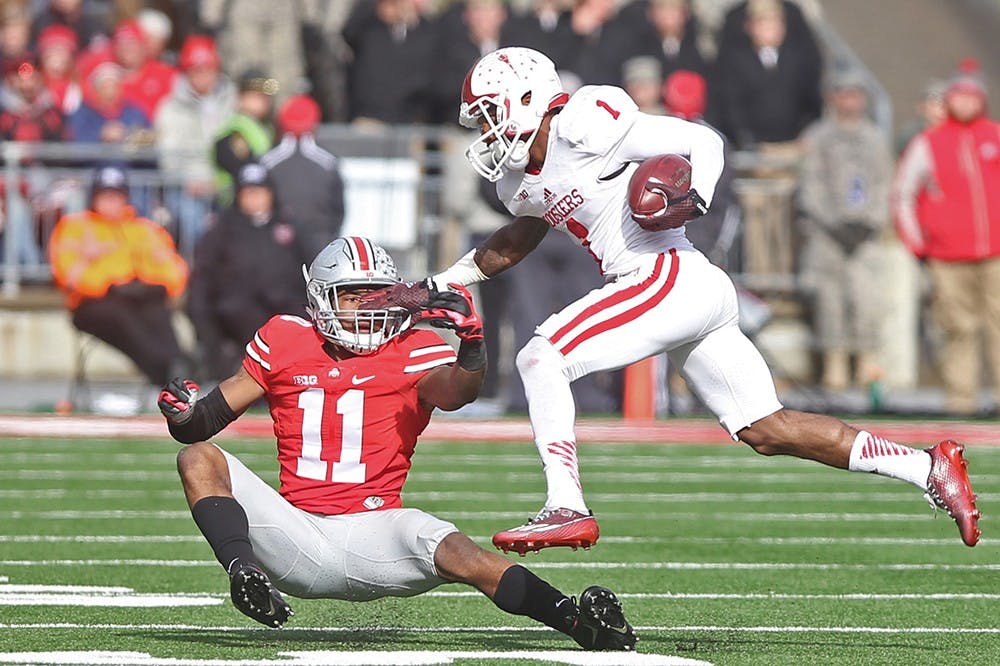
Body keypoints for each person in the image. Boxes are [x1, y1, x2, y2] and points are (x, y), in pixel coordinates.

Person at [372, 46, 981, 555]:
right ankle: (926, 467)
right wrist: (443, 279)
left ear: (527, 98)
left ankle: (565, 505)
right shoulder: (516, 181)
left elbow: (701, 140)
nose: (483, 130)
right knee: (766, 429)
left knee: (540, 356)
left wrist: (699, 200)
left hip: (665, 272)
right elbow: (518, 237)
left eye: (488, 114)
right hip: (680, 289)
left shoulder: (586, 119)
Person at [155, 236, 637, 652]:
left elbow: (457, 392)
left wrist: (472, 345)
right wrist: (182, 414)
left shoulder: (415, 346)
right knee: (197, 457)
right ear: (322, 299)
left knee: (460, 552)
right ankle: (244, 572)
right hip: (295, 533)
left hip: (376, 532)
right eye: (353, 297)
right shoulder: (285, 338)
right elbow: (202, 424)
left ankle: (577, 623)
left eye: (376, 297)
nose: (368, 310)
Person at [893, 60, 1000, 417]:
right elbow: (904, 194)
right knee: (958, 328)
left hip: (995, 252)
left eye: (972, 96)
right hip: (948, 255)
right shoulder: (929, 143)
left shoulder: (994, 136)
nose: (966, 103)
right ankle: (962, 400)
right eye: (960, 96)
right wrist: (918, 244)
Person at [48, 165, 189, 387]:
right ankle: (165, 369)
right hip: (92, 302)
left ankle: (178, 368)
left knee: (156, 312)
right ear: (93, 197)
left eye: (116, 196)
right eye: (105, 196)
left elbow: (171, 266)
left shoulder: (142, 228)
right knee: (123, 317)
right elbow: (66, 271)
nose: (111, 202)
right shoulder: (76, 226)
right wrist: (107, 285)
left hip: (136, 295)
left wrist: (157, 285)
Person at [798, 70, 893, 392]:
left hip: (864, 233)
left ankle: (866, 362)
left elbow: (883, 183)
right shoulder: (819, 137)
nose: (850, 100)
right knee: (830, 300)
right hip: (829, 233)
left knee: (867, 297)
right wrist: (832, 221)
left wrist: (871, 219)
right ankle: (834, 364)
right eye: (844, 94)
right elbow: (811, 185)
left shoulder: (875, 138)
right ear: (833, 98)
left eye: (855, 94)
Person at [186, 163, 309, 381]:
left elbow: (310, 265)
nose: (254, 198)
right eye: (248, 193)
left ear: (270, 194)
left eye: (259, 192)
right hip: (236, 309)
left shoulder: (289, 225)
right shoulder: (222, 228)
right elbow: (203, 275)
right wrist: (201, 314)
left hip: (285, 306)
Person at [259, 94, 345, 260]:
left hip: (277, 241)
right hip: (320, 242)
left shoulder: (268, 161)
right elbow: (338, 209)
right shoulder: (328, 161)